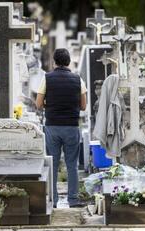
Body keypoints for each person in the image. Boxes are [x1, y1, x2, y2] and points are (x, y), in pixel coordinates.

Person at [36, 48, 87, 208]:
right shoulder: (78, 80)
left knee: (53, 163)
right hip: (71, 126)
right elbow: (84, 106)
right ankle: (73, 199)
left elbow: (38, 104)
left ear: (54, 62)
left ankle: (53, 200)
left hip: (52, 126)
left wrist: (49, 105)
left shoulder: (47, 78)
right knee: (72, 164)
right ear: (69, 62)